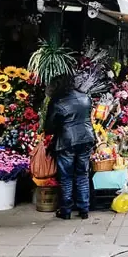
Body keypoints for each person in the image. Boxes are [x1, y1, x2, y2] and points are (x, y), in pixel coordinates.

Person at [45, 74, 95, 219]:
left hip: (67, 141)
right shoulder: (85, 97)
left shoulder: (57, 101)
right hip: (86, 138)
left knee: (66, 176)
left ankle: (66, 210)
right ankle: (84, 209)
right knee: (82, 174)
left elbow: (49, 126)